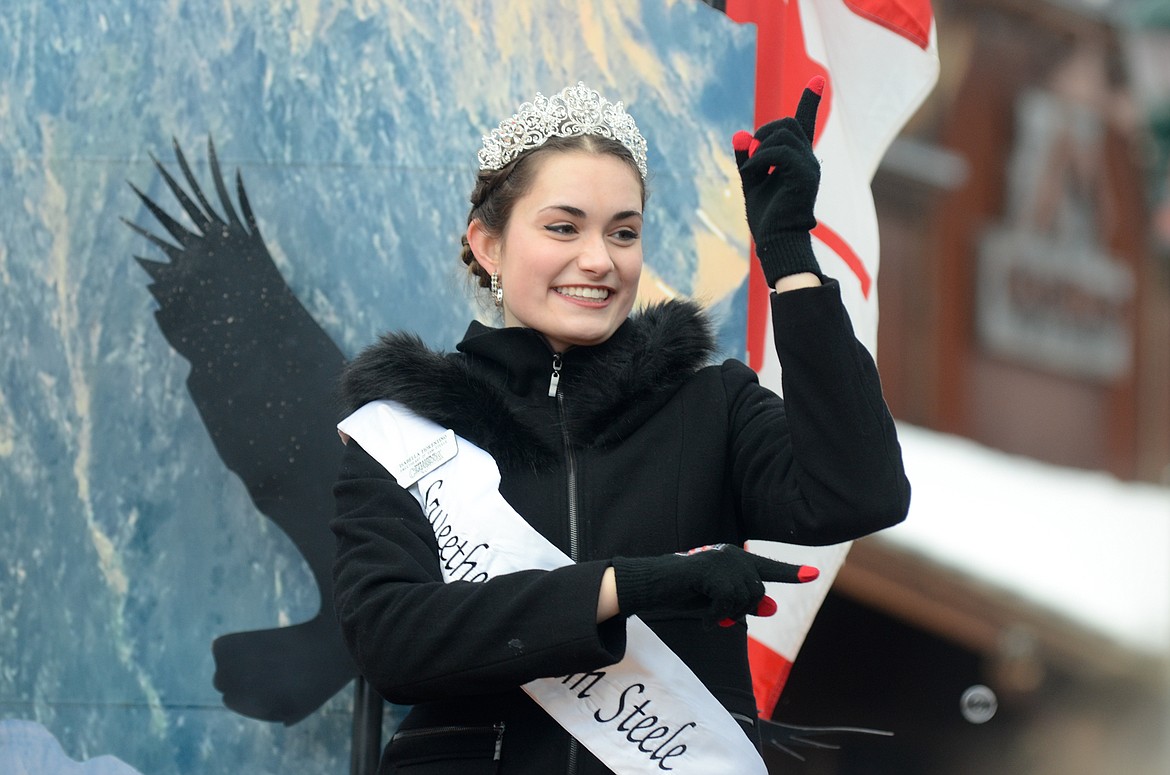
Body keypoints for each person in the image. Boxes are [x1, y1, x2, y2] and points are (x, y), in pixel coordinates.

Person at [330, 81, 910, 775]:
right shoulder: (407, 430)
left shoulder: (711, 405)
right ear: (486, 244)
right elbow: (395, 643)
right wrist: (628, 586)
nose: (600, 259)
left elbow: (861, 490)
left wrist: (790, 259)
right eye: (563, 227)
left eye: (624, 232)